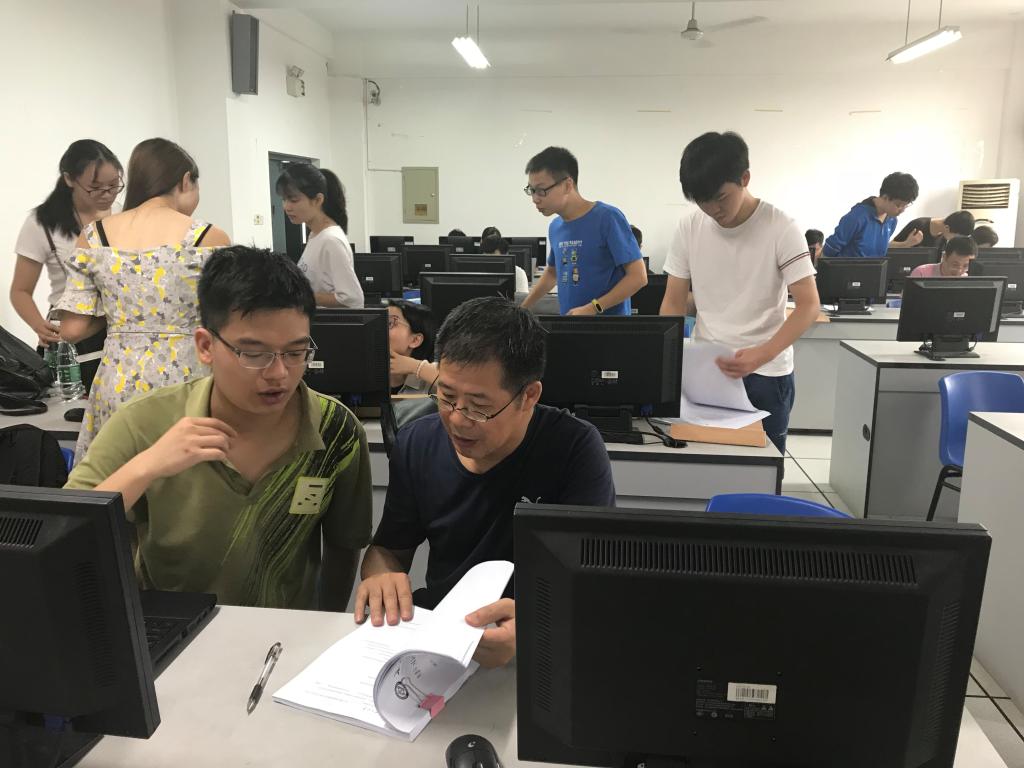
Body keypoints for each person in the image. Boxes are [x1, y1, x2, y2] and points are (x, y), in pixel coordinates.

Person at [65, 246, 372, 609]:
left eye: (295, 352)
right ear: (206, 346)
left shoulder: (336, 429)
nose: (278, 373)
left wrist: (325, 625)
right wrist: (147, 466)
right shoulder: (144, 422)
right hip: (172, 629)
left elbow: (344, 548)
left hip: (284, 632)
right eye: (253, 353)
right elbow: (64, 535)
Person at [354, 297, 615, 667]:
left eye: (479, 406)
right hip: (442, 638)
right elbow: (388, 549)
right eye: (446, 397)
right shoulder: (418, 442)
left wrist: (535, 627)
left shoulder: (573, 447)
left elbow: (595, 581)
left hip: (539, 643)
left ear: (528, 396)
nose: (458, 420)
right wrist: (381, 576)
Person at [58, 138, 230, 463]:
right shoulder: (209, 238)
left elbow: (72, 330)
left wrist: (123, 316)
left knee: (118, 477)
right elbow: (230, 320)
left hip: (118, 382)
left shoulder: (94, 236)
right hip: (188, 380)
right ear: (185, 181)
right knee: (188, 478)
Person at [660, 131, 820, 456]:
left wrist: (763, 353)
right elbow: (673, 301)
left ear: (745, 178)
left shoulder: (781, 227)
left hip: (766, 372)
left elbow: (808, 305)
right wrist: (668, 358)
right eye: (702, 201)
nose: (713, 210)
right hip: (708, 369)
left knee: (764, 467)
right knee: (704, 461)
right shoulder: (689, 228)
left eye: (721, 198)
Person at [10, 140, 123, 389]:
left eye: (114, 185)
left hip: (119, 329)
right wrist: (39, 325)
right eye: (95, 187)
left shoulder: (122, 214)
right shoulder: (42, 223)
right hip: (72, 333)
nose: (107, 194)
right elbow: (20, 291)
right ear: (69, 179)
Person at [520, 146, 646, 316]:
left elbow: (638, 277)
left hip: (610, 327)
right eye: (532, 190)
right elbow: (552, 273)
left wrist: (593, 308)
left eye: (542, 191)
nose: (535, 199)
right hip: (571, 324)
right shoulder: (555, 227)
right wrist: (522, 308)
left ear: (567, 185)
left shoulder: (607, 218)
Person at [277, 164, 362, 309]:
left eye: (293, 200)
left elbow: (352, 299)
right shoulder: (315, 234)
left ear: (317, 200)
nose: (286, 207)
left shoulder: (331, 240)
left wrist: (300, 296)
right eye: (284, 199)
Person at [822, 172, 920, 258]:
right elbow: (829, 250)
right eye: (898, 205)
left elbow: (879, 247)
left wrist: (906, 244)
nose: (902, 210)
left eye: (906, 205)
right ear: (885, 197)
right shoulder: (857, 217)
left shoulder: (892, 220)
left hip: (873, 272)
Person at [387, 299, 437, 394]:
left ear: (415, 340)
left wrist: (416, 367)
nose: (379, 326)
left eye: (390, 323)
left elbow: (458, 384)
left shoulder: (430, 384)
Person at [893, 210, 975, 250]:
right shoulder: (919, 225)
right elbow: (889, 246)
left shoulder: (944, 236)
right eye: (955, 237)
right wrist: (906, 244)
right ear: (947, 228)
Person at [908, 236, 977, 278]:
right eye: (955, 265)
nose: (959, 271)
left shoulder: (967, 280)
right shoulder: (921, 274)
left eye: (965, 266)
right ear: (944, 257)